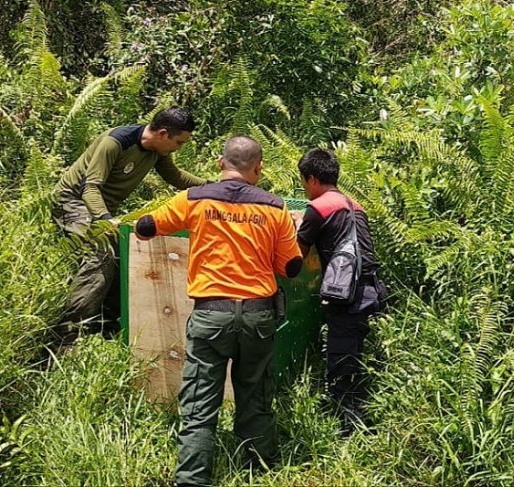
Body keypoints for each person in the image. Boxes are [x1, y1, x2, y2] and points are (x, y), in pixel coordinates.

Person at [134, 136, 302, 487]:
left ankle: (192, 479)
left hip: (210, 316)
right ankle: (259, 470)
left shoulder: (194, 199)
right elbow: (291, 267)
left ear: (219, 163)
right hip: (258, 316)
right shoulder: (275, 207)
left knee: (199, 403)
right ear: (258, 169)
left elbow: (146, 227)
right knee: (255, 395)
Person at [52, 107, 207, 334]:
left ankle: (108, 324)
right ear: (163, 134)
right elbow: (90, 188)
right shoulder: (115, 143)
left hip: (101, 207)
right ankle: (69, 330)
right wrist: (106, 221)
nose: (178, 148)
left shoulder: (158, 151)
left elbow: (177, 177)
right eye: (179, 143)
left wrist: (216, 187)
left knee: (125, 252)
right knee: (102, 252)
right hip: (73, 202)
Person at [293, 148, 386, 435]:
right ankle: (361, 412)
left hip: (347, 296)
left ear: (311, 179)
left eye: (303, 182)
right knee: (357, 355)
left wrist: (296, 228)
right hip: (372, 290)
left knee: (341, 360)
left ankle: (350, 427)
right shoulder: (356, 205)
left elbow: (297, 255)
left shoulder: (318, 208)